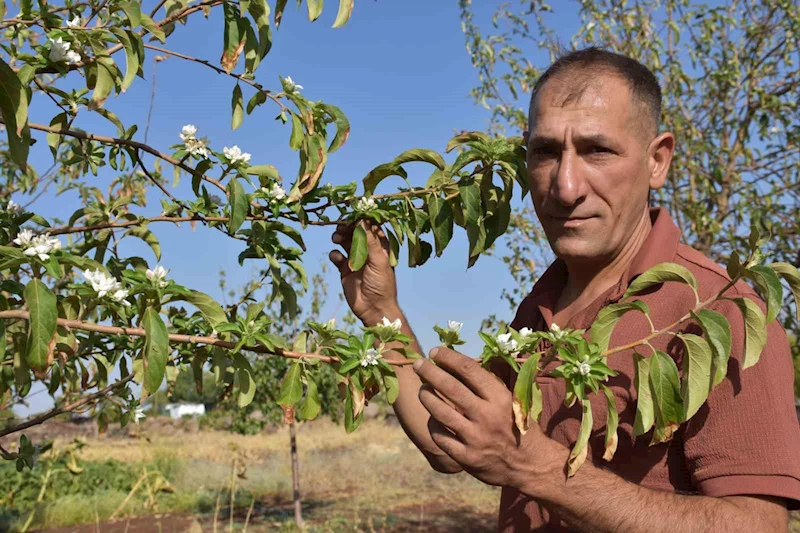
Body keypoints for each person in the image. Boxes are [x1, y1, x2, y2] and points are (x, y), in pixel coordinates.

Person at [329, 47, 800, 532]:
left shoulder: (722, 313)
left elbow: (758, 524)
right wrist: (381, 313)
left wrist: (532, 466)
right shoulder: (540, 308)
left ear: (658, 160)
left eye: (598, 150)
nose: (566, 186)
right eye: (547, 152)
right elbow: (447, 443)